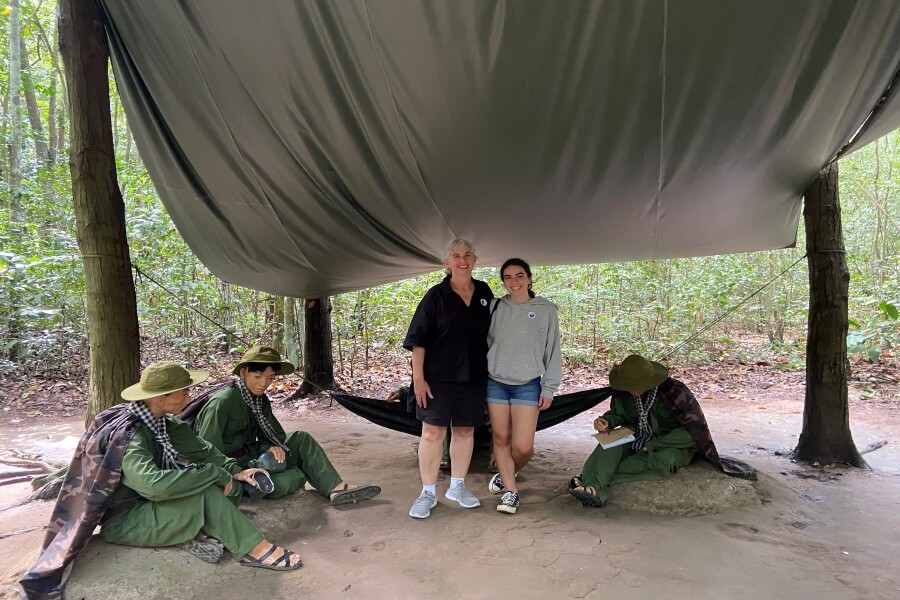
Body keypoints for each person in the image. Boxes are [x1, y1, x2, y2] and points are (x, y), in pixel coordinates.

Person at [20, 361, 301, 598]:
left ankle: (202, 533)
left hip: (151, 507)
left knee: (225, 488)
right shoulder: (131, 436)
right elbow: (153, 486)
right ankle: (253, 549)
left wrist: (235, 471)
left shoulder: (164, 423)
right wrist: (214, 474)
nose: (189, 397)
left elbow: (203, 450)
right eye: (184, 392)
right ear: (161, 397)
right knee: (206, 490)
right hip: (126, 518)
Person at [194, 346, 381, 505]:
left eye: (270, 378)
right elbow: (207, 452)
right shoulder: (222, 403)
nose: (263, 384)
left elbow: (275, 434)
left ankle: (336, 488)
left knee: (300, 439)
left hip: (253, 455)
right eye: (258, 376)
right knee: (293, 478)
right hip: (232, 465)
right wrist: (236, 473)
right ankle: (250, 483)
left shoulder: (259, 400)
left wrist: (271, 446)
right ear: (243, 373)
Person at [569, 354, 755, 507]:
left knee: (664, 461)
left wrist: (653, 444)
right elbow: (618, 414)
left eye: (637, 386)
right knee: (608, 447)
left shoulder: (674, 392)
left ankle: (591, 480)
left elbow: (694, 432)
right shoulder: (622, 390)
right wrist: (605, 421)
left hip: (670, 443)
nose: (632, 390)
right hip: (635, 435)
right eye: (629, 386)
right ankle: (594, 488)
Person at [404, 238, 494, 518]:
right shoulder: (435, 296)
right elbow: (418, 342)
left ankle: (457, 486)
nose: (462, 260)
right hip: (437, 378)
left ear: (475, 260)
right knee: (432, 433)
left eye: (467, 255)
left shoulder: (484, 292)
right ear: (447, 262)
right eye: (456, 256)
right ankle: (427, 493)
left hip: (474, 377)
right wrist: (418, 379)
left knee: (466, 431)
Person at [485, 258, 561, 514]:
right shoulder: (494, 307)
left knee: (523, 447)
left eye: (519, 276)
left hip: (528, 384)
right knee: (501, 437)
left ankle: (508, 473)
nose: (514, 282)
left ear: (529, 278)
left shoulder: (546, 309)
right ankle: (510, 491)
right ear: (503, 281)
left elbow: (553, 351)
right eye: (507, 277)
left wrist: (549, 388)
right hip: (495, 381)